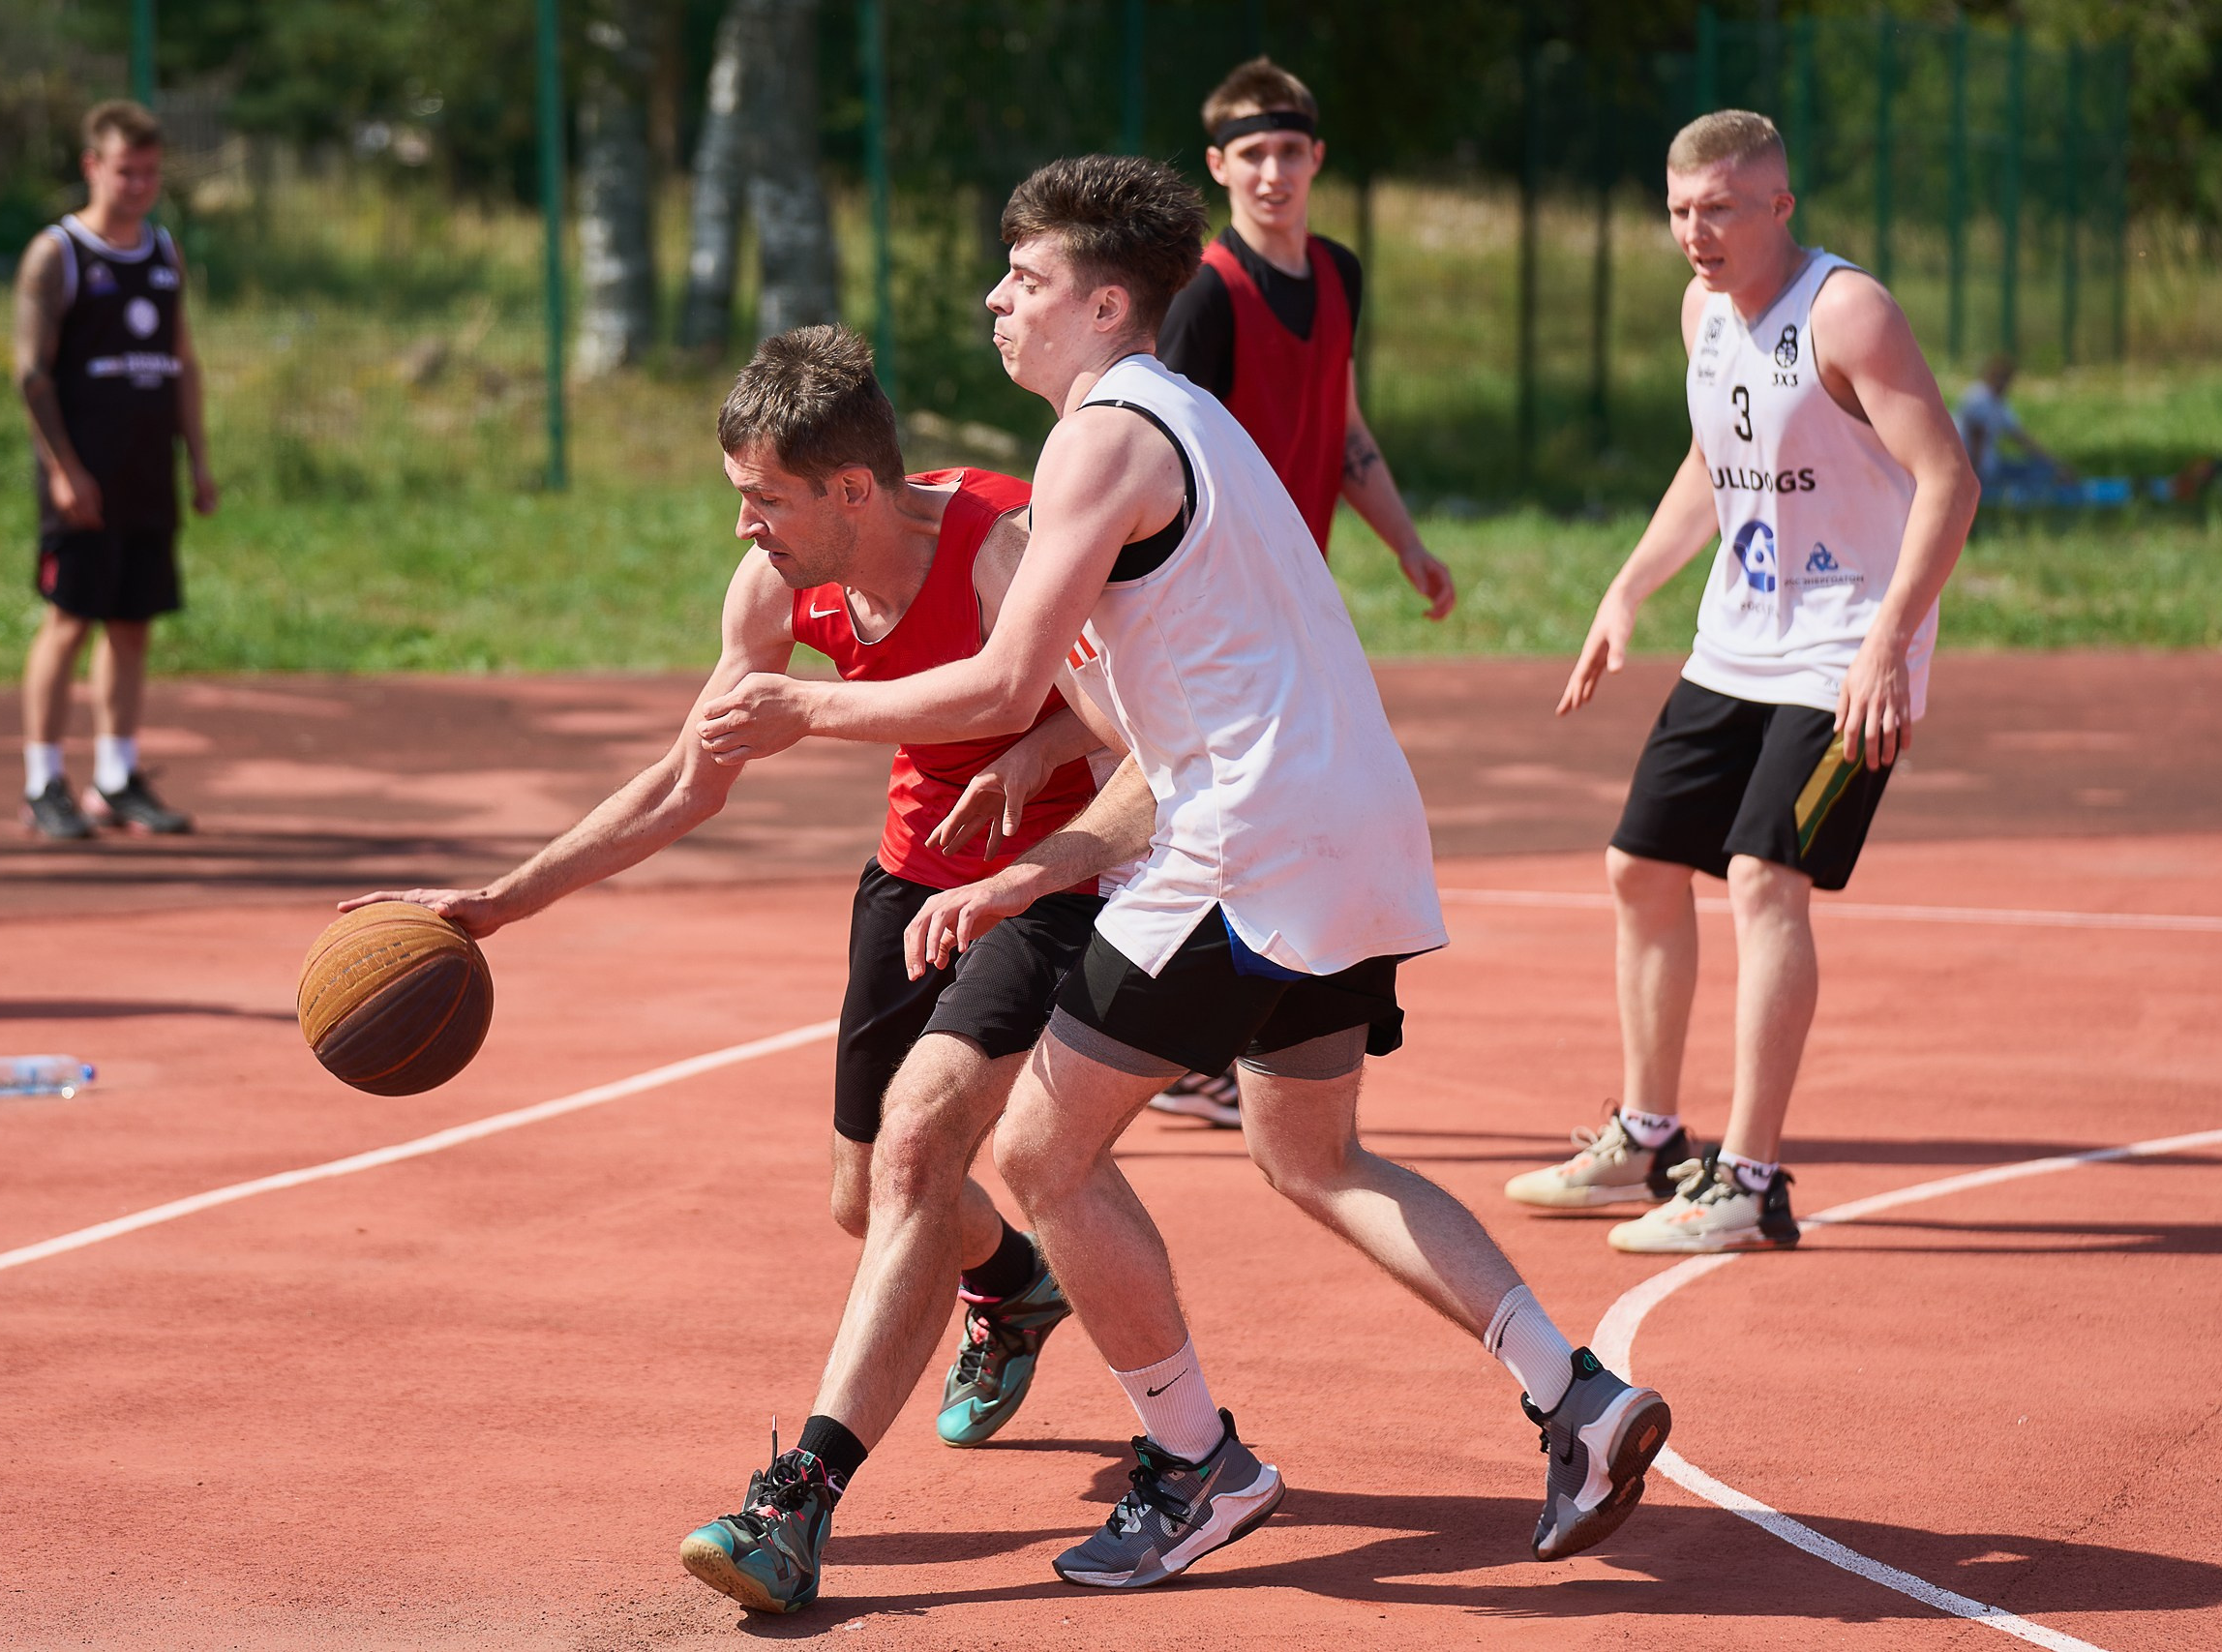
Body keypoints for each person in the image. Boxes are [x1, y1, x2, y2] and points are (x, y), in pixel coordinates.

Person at [693, 153, 1670, 1594]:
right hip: (1348, 832)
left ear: (1101, 303)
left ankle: (1192, 1458)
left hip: (1247, 847)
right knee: (1312, 1152)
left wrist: (807, 708)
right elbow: (1145, 708)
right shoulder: (1193, 421)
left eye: (1023, 279)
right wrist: (1042, 866)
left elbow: (1009, 672)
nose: (995, 299)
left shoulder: (1098, 440)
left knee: (1032, 1150)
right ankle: (1573, 1391)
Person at [342, 327, 1112, 1614]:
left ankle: (800, 1492)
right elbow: (685, 781)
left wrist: (1035, 755)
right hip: (915, 870)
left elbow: (1118, 693)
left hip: (1057, 880)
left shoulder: (1004, 538)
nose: (745, 526)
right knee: (865, 1198)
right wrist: (498, 900)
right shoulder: (777, 594)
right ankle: (1011, 1279)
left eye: (764, 499)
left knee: (923, 1142)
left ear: (850, 492)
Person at [1505, 112, 1976, 1251]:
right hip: (1735, 643)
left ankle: (1751, 1180)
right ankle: (1648, 1139)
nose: (1693, 233)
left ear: (1778, 207)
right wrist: (1627, 590)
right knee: (1640, 869)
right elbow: (1716, 463)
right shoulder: (1701, 314)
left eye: (1716, 208)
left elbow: (1948, 480)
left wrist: (1888, 644)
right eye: (1676, 210)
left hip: (1846, 661)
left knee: (1765, 877)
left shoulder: (1845, 312)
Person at [1145, 54, 1457, 1132]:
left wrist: (1407, 544)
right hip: (1216, 606)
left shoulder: (1338, 273)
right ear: (1218, 167)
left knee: (1259, 803)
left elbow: (1344, 421)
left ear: (1315, 157)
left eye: (1289, 150)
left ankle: (1202, 1047)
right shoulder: (1204, 297)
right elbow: (1155, 451)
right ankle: (1186, 1038)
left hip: (1296, 593)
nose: (1272, 171)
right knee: (1232, 804)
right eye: (1252, 154)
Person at [14, 100, 217, 841]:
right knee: (69, 621)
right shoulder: (57, 253)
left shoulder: (163, 252)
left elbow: (182, 364)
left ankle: (116, 775)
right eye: (126, 171)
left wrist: (197, 460)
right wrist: (64, 469)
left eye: (151, 172)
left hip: (146, 471)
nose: (139, 185)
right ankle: (42, 781)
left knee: (132, 626)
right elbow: (31, 374)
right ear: (92, 165)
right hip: (82, 473)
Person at [1954, 354, 2070, 501]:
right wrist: (1972, 485)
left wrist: (2053, 464)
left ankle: (2058, 476)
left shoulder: (1998, 403)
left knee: (2038, 471)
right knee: (2034, 477)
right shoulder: (1979, 400)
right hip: (1977, 470)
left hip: (1987, 466)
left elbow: (2022, 439)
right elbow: (1977, 445)